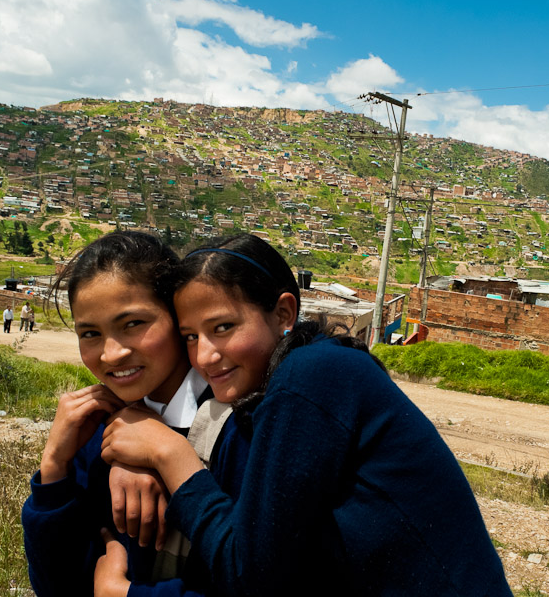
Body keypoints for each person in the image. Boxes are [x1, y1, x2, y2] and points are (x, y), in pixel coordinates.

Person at [98, 233, 513, 597]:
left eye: (222, 327)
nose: (204, 355)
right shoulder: (291, 379)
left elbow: (251, 578)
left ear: (283, 313)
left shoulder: (311, 376)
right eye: (191, 336)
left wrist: (170, 455)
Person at [21, 231, 249, 597]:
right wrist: (53, 468)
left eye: (133, 324)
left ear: (177, 317)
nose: (111, 354)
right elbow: (56, 585)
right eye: (90, 333)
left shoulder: (240, 427)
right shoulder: (94, 430)